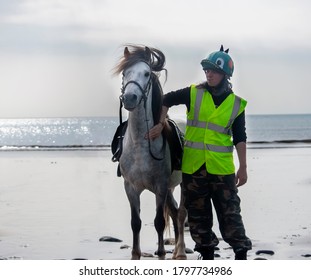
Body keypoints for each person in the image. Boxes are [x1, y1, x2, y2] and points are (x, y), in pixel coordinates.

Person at [147, 45, 252, 260]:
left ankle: (240, 253)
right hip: (194, 168)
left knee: (230, 213)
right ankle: (207, 255)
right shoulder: (193, 93)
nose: (209, 74)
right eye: (207, 70)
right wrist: (160, 123)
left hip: (222, 168)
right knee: (197, 216)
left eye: (213, 71)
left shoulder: (236, 105)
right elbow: (166, 100)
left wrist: (243, 167)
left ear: (225, 75)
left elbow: (240, 138)